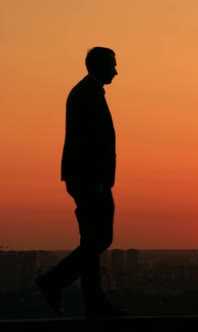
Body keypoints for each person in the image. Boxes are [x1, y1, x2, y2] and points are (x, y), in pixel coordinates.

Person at [35, 46, 128, 318]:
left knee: (92, 241)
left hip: (90, 178)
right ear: (98, 66)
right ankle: (54, 282)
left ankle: (94, 303)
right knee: (99, 239)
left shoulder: (88, 92)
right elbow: (87, 142)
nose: (116, 71)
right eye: (112, 65)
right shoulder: (86, 94)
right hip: (90, 180)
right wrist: (96, 180)